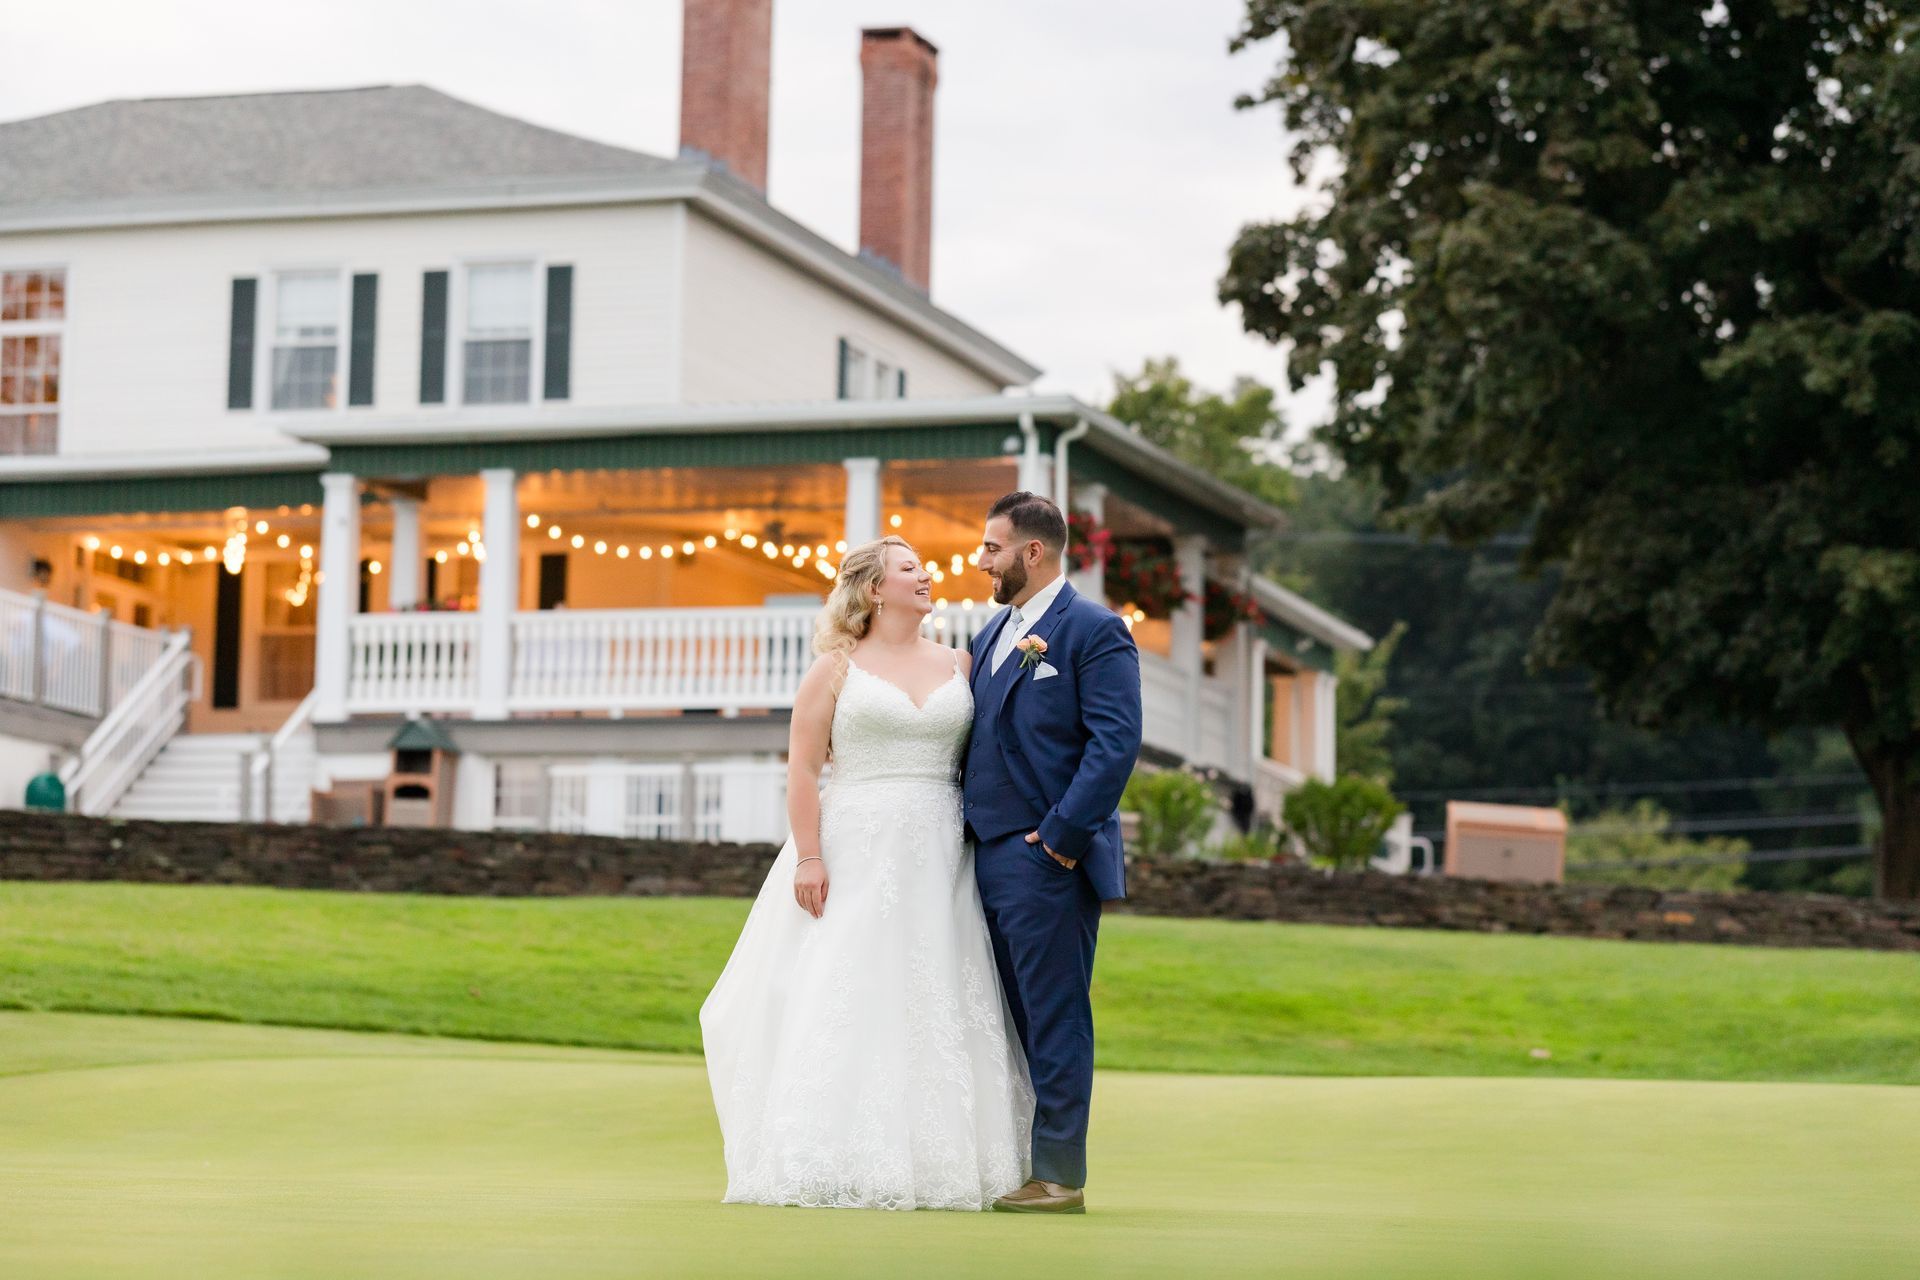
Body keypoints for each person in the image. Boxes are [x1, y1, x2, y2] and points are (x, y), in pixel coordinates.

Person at [700, 535, 1035, 1211]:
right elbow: (801, 768)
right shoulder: (834, 668)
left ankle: (943, 1160)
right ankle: (827, 1152)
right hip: (855, 844)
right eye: (910, 569)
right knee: (850, 985)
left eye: (923, 568)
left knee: (937, 987)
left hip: (941, 846)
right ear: (875, 589)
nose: (926, 576)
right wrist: (811, 855)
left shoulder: (960, 663)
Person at [964, 490, 1142, 1215]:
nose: (981, 563)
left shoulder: (1094, 632)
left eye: (991, 548)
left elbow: (1115, 744)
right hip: (978, 858)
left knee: (1054, 1015)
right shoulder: (988, 636)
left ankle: (1060, 1177)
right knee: (1002, 1015)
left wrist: (1062, 841)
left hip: (1045, 860)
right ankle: (1012, 1158)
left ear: (1031, 553)